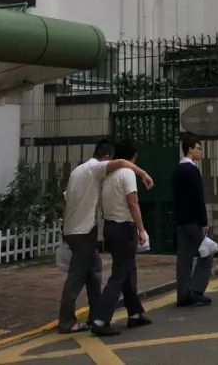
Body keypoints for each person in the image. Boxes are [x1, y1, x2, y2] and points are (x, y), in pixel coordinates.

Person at [58, 139, 154, 334]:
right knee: (78, 277)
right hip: (84, 231)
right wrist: (143, 173)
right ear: (107, 157)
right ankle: (76, 322)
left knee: (96, 269)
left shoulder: (78, 171)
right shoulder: (96, 168)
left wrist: (65, 227)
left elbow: (67, 200)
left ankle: (123, 313)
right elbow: (122, 166)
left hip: (75, 229)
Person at [91, 140, 151, 337]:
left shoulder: (109, 175)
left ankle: (135, 314)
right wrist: (141, 229)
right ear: (133, 157)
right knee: (119, 274)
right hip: (124, 227)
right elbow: (132, 202)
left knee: (128, 270)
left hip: (110, 227)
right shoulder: (127, 173)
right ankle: (100, 319)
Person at [173, 138, 213, 307]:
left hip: (181, 221)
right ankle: (197, 290)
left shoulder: (177, 170)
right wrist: (204, 221)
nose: (200, 152)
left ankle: (183, 296)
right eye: (198, 148)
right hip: (194, 222)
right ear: (190, 150)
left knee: (184, 258)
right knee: (208, 250)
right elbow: (198, 197)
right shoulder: (192, 170)